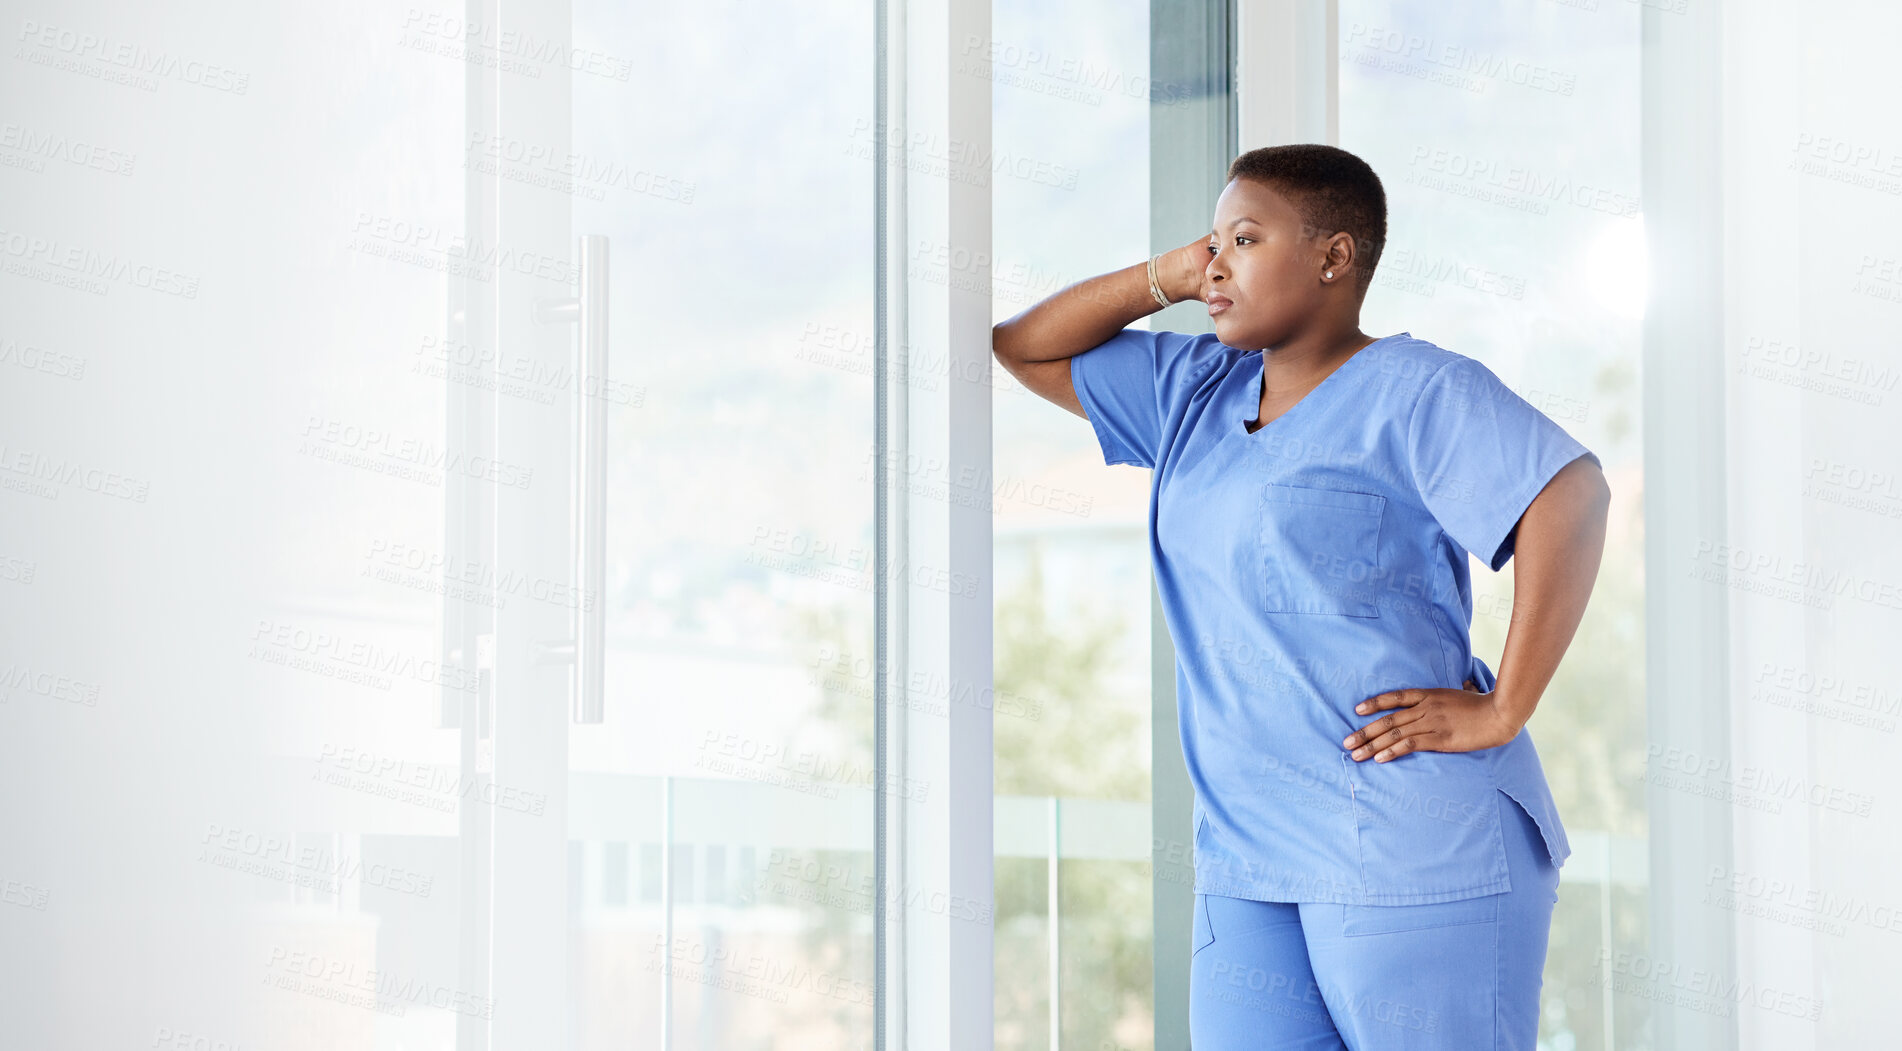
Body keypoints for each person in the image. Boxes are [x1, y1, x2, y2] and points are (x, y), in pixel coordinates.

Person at [990, 144, 1611, 1051]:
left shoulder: (1417, 391)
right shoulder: (1195, 389)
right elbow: (1023, 346)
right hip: (1247, 859)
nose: (1217, 265)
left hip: (1409, 846)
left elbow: (1572, 494)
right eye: (1212, 243)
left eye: (1244, 239)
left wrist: (1503, 706)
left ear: (1334, 257)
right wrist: (1169, 274)